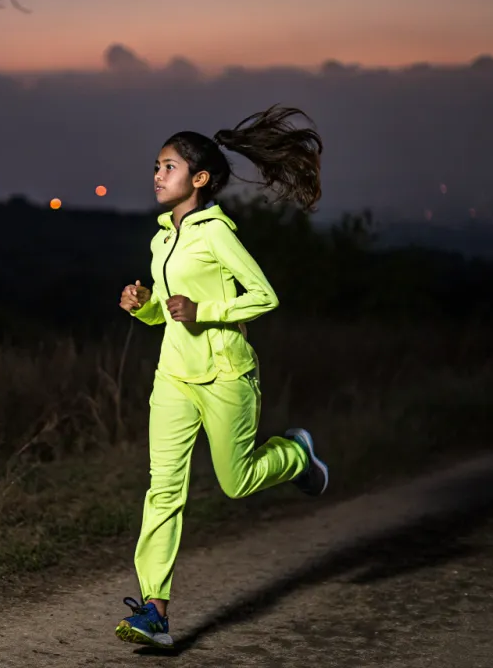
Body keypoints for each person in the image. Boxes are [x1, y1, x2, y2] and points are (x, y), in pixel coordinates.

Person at [115, 105, 329, 649]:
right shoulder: (162, 238)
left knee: (237, 481)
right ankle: (154, 612)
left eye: (168, 167)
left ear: (199, 178)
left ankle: (296, 454)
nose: (157, 175)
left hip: (225, 375)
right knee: (163, 489)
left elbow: (264, 296)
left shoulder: (216, 234)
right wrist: (144, 306)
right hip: (173, 377)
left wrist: (205, 309)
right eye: (156, 166)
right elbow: (170, 315)